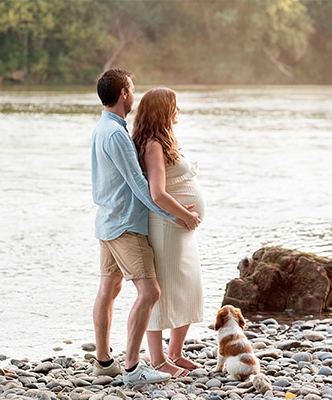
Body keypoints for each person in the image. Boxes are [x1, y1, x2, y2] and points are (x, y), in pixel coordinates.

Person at [90, 69, 201, 385]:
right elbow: (140, 186)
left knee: (108, 289)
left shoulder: (102, 129)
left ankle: (103, 361)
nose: (134, 95)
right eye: (132, 89)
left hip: (107, 221)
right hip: (125, 224)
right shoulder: (116, 135)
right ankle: (132, 367)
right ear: (124, 93)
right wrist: (175, 215)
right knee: (150, 291)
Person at [132, 87, 206, 378]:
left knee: (188, 286)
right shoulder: (152, 145)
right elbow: (157, 193)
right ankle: (159, 359)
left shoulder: (165, 140)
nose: (179, 111)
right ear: (163, 111)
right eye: (174, 106)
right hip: (167, 227)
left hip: (181, 228)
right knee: (163, 294)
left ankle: (176, 352)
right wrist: (186, 214)